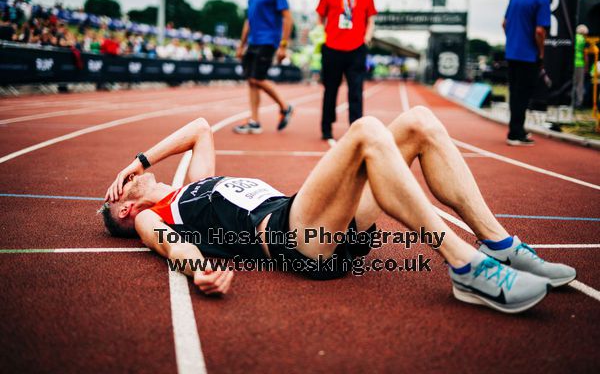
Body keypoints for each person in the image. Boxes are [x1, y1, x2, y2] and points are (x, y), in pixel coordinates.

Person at [101, 106, 576, 314]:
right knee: (368, 131)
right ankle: (465, 266)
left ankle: (501, 245)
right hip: (294, 239)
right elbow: (169, 246)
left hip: (328, 226)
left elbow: (202, 128)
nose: (125, 182)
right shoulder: (155, 215)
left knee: (417, 123)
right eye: (120, 189)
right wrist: (199, 270)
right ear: (124, 211)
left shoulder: (190, 185)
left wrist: (137, 161)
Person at [503, 0, 562, 146]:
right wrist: (541, 53)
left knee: (515, 93)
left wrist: (513, 41)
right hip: (528, 55)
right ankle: (515, 134)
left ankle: (516, 129)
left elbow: (505, 24)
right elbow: (539, 31)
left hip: (512, 53)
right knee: (523, 94)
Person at [316, 0, 376, 140]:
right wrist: (320, 33)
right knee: (330, 90)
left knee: (356, 91)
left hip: (356, 49)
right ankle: (326, 128)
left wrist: (367, 37)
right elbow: (320, 15)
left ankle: (356, 129)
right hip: (332, 48)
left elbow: (371, 19)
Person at [233, 0, 294, 135]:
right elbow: (249, 20)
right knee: (251, 81)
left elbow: (287, 18)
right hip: (253, 41)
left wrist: (283, 45)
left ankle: (285, 107)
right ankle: (254, 121)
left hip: (268, 40)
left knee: (257, 78)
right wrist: (241, 45)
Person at [573, 24, 589, 108]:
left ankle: (571, 101)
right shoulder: (582, 39)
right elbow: (585, 54)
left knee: (573, 83)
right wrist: (586, 66)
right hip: (580, 64)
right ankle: (579, 102)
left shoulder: (573, 37)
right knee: (580, 84)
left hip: (572, 63)